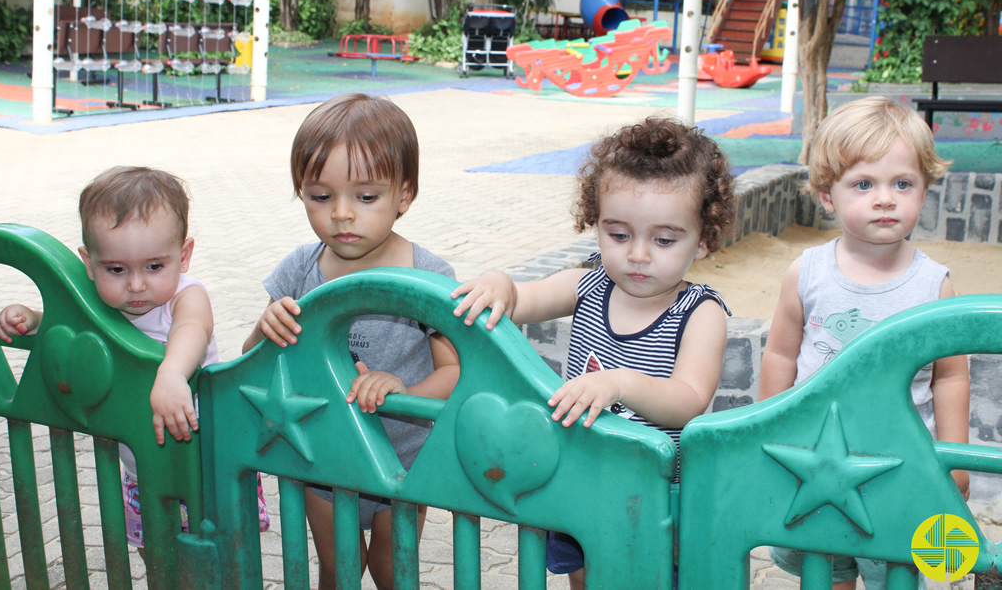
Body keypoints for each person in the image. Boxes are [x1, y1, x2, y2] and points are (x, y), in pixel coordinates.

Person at [450, 117, 737, 589]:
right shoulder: (588, 286)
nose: (638, 254)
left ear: (702, 239)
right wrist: (500, 283)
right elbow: (521, 299)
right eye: (618, 234)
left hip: (657, 492)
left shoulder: (700, 311)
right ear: (596, 223)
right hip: (580, 479)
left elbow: (688, 399)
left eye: (664, 240)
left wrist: (619, 383)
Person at [243, 92, 460, 590]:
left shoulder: (428, 276)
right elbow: (253, 361)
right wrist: (266, 325)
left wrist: (399, 389)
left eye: (365, 197)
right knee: (340, 570)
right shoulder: (300, 268)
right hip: (322, 454)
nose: (341, 214)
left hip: (401, 460)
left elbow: (454, 373)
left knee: (391, 571)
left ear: (404, 195)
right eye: (321, 197)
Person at [0, 166, 269, 548]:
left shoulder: (185, 297)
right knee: (156, 553)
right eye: (116, 269)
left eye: (155, 266)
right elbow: (68, 331)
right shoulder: (99, 303)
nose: (136, 285)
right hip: (141, 468)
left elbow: (193, 330)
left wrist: (172, 373)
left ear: (183, 255)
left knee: (223, 557)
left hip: (205, 463)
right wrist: (32, 320)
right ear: (88, 262)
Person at [758, 96, 970, 590]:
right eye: (863, 184)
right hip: (817, 462)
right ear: (828, 195)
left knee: (895, 570)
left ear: (924, 189)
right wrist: (765, 432)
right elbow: (781, 354)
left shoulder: (932, 284)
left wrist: (954, 457)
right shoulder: (807, 273)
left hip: (902, 467)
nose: (885, 198)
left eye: (902, 184)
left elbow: (951, 374)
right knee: (826, 568)